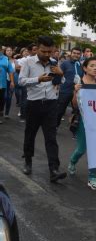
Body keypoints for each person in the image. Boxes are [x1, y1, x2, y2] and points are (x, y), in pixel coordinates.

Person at [18, 36, 67, 182]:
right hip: (34, 104)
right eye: (44, 51)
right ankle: (28, 161)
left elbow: (60, 81)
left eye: (49, 52)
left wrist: (60, 74)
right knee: (30, 135)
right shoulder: (28, 62)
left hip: (51, 104)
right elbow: (21, 81)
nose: (47, 54)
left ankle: (54, 169)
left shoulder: (54, 61)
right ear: (37, 48)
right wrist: (38, 79)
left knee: (51, 138)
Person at [68, 57, 96, 190]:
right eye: (92, 66)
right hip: (83, 121)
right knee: (82, 149)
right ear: (84, 68)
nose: (95, 68)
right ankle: (72, 161)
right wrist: (76, 91)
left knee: (95, 149)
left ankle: (92, 176)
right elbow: (74, 105)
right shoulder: (79, 83)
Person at [57, 47, 83, 128]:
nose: (76, 55)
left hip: (77, 91)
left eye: (78, 53)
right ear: (71, 53)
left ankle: (74, 130)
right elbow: (59, 75)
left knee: (77, 112)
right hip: (65, 90)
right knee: (60, 110)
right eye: (74, 53)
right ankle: (55, 126)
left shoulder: (81, 65)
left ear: (80, 55)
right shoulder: (65, 63)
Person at [1, 47, 16, 122]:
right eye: (7, 50)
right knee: (4, 98)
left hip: (7, 82)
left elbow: (12, 71)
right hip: (3, 81)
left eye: (11, 50)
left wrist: (12, 81)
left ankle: (5, 113)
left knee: (7, 98)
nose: (9, 52)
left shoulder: (10, 60)